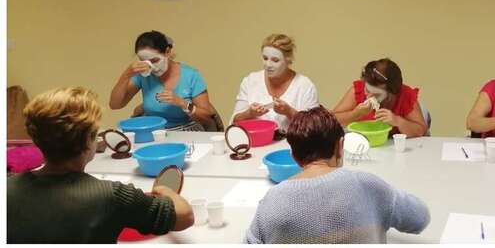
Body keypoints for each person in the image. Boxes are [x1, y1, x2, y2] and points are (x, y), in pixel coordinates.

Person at [8, 87, 193, 243]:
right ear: (89, 141)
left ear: (36, 140)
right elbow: (185, 216)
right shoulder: (112, 196)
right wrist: (163, 189)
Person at [244, 106, 430, 243]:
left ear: (294, 156)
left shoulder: (272, 202)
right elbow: (420, 218)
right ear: (340, 146)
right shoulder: (368, 186)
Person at [109, 30, 214, 131]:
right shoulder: (144, 74)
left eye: (155, 60)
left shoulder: (190, 75)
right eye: (144, 62)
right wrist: (127, 74)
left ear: (167, 52)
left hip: (185, 131)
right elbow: (115, 105)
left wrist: (183, 103)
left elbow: (207, 117)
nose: (151, 67)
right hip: (154, 131)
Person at [231, 33, 319, 133]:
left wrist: (289, 111)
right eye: (265, 58)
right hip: (256, 141)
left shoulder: (305, 86)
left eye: (275, 60)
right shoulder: (250, 81)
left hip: (293, 142)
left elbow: (315, 128)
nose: (268, 65)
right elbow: (235, 121)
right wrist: (250, 113)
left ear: (288, 60)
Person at [333, 58, 428, 137]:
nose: (368, 96)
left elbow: (421, 130)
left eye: (376, 94)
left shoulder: (406, 95)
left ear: (393, 93)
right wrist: (355, 114)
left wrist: (398, 121)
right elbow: (332, 121)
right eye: (367, 90)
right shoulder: (358, 90)